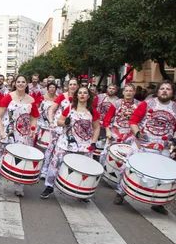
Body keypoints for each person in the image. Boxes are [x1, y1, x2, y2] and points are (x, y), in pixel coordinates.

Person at [113, 81, 176, 214]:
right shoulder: (147, 104)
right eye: (162, 89)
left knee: (163, 175)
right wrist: (137, 133)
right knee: (130, 168)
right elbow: (133, 121)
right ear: (157, 91)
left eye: (168, 89)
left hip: (163, 147)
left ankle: (159, 202)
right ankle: (121, 193)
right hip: (142, 144)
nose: (164, 91)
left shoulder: (175, 107)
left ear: (172, 92)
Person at [40, 86, 100, 200]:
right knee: (55, 165)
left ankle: (82, 192)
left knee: (84, 169)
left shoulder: (93, 111)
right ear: (76, 95)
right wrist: (65, 122)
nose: (82, 95)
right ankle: (49, 186)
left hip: (84, 146)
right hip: (65, 143)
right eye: (80, 93)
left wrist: (93, 142)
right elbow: (59, 121)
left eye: (85, 93)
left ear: (88, 96)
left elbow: (97, 127)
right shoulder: (70, 108)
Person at [0, 75, 40, 197]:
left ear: (27, 84)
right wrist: (1, 131)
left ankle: (18, 186)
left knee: (21, 160)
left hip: (22, 135)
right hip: (5, 132)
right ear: (15, 84)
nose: (21, 84)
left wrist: (32, 130)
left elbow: (34, 118)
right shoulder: (8, 97)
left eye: (23, 82)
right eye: (19, 82)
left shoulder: (31, 100)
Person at [37, 82, 58, 178]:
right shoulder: (42, 97)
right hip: (41, 125)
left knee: (49, 149)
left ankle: (45, 169)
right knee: (40, 147)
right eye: (50, 87)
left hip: (52, 126)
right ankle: (37, 167)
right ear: (47, 88)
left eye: (54, 87)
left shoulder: (58, 99)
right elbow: (37, 108)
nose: (52, 89)